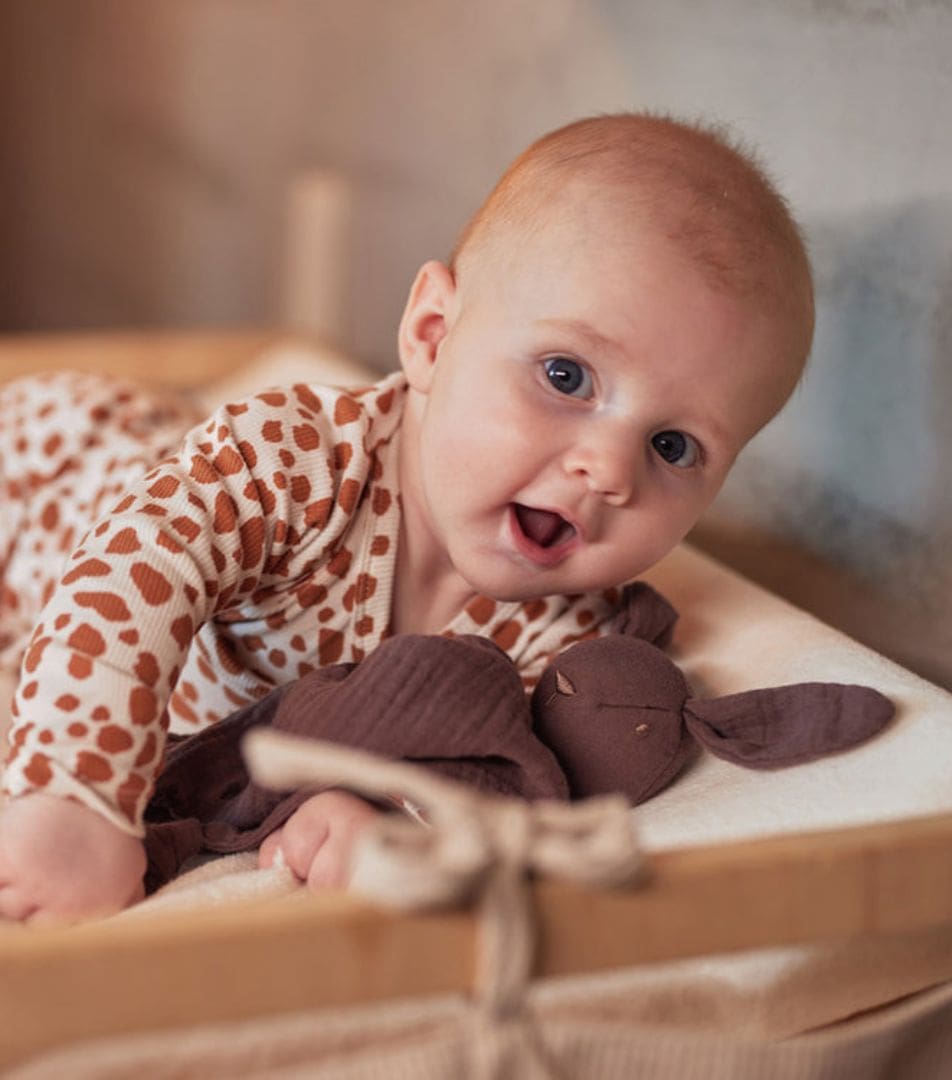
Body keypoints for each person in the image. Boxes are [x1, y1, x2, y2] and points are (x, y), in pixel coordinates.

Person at [0, 112, 814, 922]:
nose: (607, 471)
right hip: (45, 484)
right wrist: (75, 797)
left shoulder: (575, 630)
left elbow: (498, 769)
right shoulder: (297, 462)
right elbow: (130, 573)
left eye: (672, 446)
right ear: (432, 335)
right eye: (567, 375)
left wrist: (384, 813)